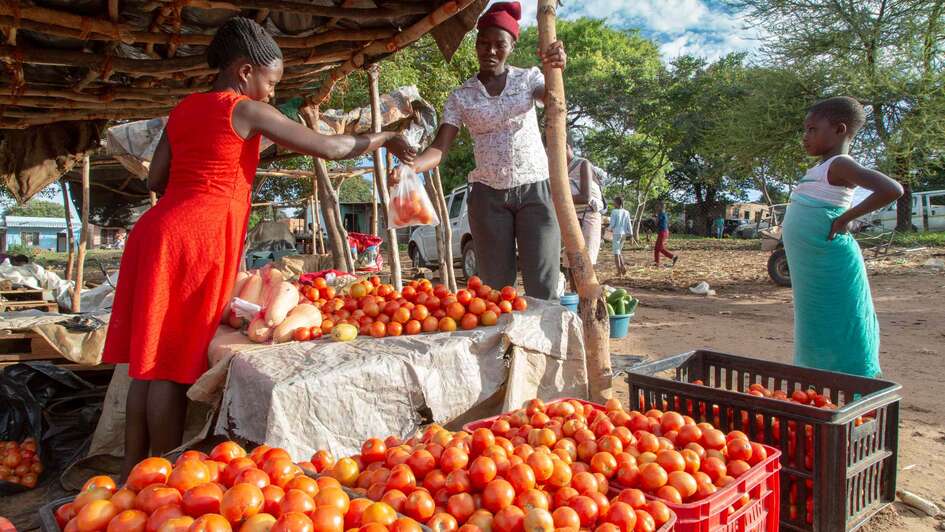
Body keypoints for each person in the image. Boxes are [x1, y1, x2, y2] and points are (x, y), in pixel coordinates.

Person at [101, 17, 416, 477]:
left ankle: (132, 473)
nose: (271, 93)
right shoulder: (245, 110)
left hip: (156, 232)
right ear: (245, 71)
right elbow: (330, 148)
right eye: (271, 82)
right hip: (195, 240)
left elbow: (155, 179)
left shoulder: (184, 109)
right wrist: (384, 136)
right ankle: (158, 483)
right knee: (170, 365)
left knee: (147, 362)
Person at [389, 2, 566, 299]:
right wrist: (412, 168)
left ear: (512, 45)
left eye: (499, 44)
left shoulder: (528, 79)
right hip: (488, 198)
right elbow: (439, 148)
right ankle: (503, 345)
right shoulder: (461, 96)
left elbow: (552, 100)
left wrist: (555, 68)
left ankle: (543, 344)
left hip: (536, 191)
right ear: (476, 45)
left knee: (543, 285)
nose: (491, 51)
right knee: (496, 289)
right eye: (483, 44)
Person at [782, 96, 902, 377]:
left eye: (812, 129)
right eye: (805, 130)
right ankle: (822, 384)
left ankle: (857, 384)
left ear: (839, 130)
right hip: (815, 270)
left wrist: (846, 218)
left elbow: (892, 189)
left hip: (833, 262)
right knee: (819, 321)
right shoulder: (821, 168)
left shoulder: (840, 164)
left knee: (844, 321)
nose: (805, 137)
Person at [566, 138, 604, 265]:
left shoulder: (583, 164)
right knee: (570, 263)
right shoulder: (557, 169)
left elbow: (585, 197)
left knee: (585, 263)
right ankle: (572, 286)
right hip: (570, 218)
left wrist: (558, 199)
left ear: (566, 146)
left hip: (588, 217)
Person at [609, 197, 632, 276]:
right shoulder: (626, 212)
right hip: (624, 234)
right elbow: (629, 223)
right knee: (619, 252)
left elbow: (612, 224)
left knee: (616, 253)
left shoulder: (614, 211)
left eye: (614, 202)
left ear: (617, 203)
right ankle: (623, 268)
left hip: (616, 234)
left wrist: (607, 229)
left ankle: (619, 271)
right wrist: (631, 234)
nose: (613, 204)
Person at [653, 202, 678, 267]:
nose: (656, 208)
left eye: (657, 206)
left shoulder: (661, 214)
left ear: (661, 207)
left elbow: (656, 223)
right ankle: (656, 263)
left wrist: (654, 218)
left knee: (660, 248)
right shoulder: (663, 214)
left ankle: (673, 257)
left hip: (663, 232)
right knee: (656, 248)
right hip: (663, 232)